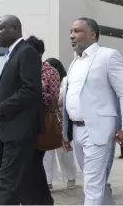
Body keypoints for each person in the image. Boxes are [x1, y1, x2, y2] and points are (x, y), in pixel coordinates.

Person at [61, 17, 123, 205]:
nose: (71, 35)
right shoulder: (74, 62)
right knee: (97, 182)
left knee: (91, 185)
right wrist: (65, 132)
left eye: (77, 31)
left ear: (92, 34)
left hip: (99, 129)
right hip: (77, 130)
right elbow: (71, 96)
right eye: (71, 31)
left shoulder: (108, 56)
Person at [0, 15, 52, 205]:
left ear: (14, 28)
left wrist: (1, 108)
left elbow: (31, 90)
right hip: (8, 127)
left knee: (8, 181)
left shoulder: (26, 52)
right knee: (28, 175)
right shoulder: (12, 53)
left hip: (20, 129)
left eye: (0, 28)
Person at [44, 57, 78, 190]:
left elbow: (62, 99)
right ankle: (47, 180)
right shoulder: (44, 80)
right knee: (47, 152)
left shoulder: (65, 81)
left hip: (62, 121)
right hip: (48, 120)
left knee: (64, 151)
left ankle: (71, 177)